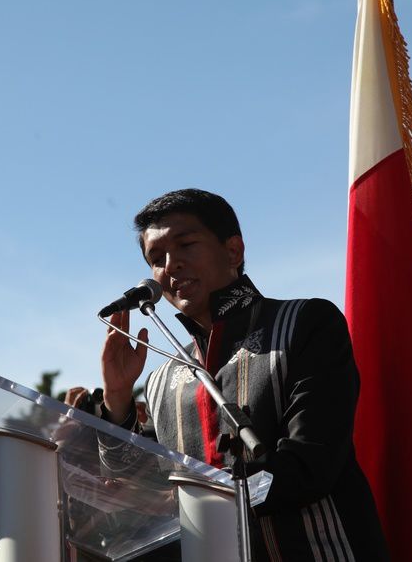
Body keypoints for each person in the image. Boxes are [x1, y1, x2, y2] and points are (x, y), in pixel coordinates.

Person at [100, 189, 389, 561]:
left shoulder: (305, 323)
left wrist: (195, 500)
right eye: (156, 259)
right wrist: (118, 396)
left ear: (233, 251)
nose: (170, 266)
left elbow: (310, 465)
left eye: (186, 245)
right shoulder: (161, 380)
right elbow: (134, 488)